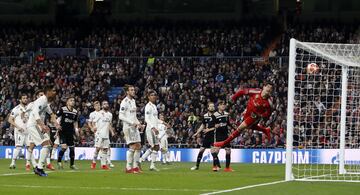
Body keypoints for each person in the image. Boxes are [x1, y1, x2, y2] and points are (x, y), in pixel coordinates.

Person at [214, 82, 273, 148]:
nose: (269, 89)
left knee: (240, 128)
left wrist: (261, 115)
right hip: (247, 111)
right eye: (268, 87)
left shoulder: (269, 102)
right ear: (264, 87)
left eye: (271, 88)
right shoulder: (256, 91)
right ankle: (265, 130)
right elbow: (241, 92)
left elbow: (268, 114)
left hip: (253, 116)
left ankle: (224, 143)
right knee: (249, 126)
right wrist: (232, 99)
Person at [27, 85, 60, 176]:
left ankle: (39, 167)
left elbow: (51, 113)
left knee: (48, 145)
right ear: (48, 92)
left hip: (37, 125)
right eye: (53, 91)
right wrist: (42, 125)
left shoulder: (45, 102)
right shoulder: (41, 100)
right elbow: (34, 113)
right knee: (46, 145)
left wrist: (56, 124)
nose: (55, 93)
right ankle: (38, 168)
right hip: (34, 125)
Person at [118, 85, 144, 173]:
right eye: (131, 90)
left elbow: (134, 116)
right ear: (127, 92)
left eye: (134, 90)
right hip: (128, 127)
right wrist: (131, 122)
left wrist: (139, 124)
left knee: (139, 146)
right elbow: (120, 116)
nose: (133, 91)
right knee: (133, 146)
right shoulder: (124, 102)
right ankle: (128, 168)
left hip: (134, 126)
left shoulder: (133, 101)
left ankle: (135, 167)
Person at [144, 90, 169, 171]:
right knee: (153, 146)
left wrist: (164, 122)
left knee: (156, 147)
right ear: (148, 97)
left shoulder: (154, 106)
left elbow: (156, 119)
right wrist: (153, 128)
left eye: (154, 95)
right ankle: (141, 159)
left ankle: (151, 165)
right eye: (151, 95)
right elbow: (147, 119)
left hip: (155, 129)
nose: (153, 96)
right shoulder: (148, 106)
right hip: (150, 129)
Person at [191, 102, 219, 171]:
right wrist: (196, 133)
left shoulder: (216, 116)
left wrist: (209, 130)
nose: (212, 107)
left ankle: (215, 167)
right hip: (206, 136)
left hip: (214, 136)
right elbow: (202, 126)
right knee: (201, 150)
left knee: (213, 151)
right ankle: (197, 166)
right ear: (208, 108)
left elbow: (217, 126)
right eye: (210, 106)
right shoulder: (205, 116)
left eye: (213, 106)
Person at [213, 100, 237, 172]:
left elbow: (228, 123)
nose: (223, 105)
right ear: (218, 106)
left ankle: (227, 168)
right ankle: (214, 166)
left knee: (228, 151)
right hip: (218, 135)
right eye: (221, 104)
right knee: (216, 151)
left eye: (224, 104)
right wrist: (215, 125)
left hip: (226, 135)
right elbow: (211, 124)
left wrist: (235, 128)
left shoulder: (226, 114)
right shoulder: (215, 115)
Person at [56, 97, 80, 170]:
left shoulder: (75, 112)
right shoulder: (63, 109)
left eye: (73, 100)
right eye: (71, 100)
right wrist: (57, 125)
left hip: (70, 132)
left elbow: (75, 122)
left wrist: (76, 130)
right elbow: (55, 117)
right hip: (62, 131)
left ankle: (72, 164)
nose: (73, 102)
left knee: (72, 149)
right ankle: (59, 162)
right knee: (64, 147)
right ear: (67, 102)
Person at [8, 94, 30, 170]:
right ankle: (13, 162)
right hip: (19, 131)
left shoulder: (29, 108)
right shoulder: (16, 109)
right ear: (20, 100)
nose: (25, 99)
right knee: (18, 147)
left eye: (26, 98)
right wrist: (18, 127)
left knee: (29, 148)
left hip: (28, 131)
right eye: (24, 98)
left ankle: (28, 163)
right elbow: (10, 120)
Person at [93, 101, 115, 170]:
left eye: (107, 104)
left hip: (106, 135)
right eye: (104, 104)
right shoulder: (99, 113)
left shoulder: (110, 115)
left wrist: (112, 132)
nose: (106, 105)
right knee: (97, 149)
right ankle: (93, 162)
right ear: (102, 106)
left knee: (105, 149)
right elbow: (93, 122)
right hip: (99, 134)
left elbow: (109, 124)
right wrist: (94, 127)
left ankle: (103, 165)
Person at [88, 101, 101, 169]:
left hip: (104, 132)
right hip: (97, 132)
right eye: (96, 105)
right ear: (94, 107)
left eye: (99, 105)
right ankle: (94, 162)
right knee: (98, 148)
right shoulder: (92, 114)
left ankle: (106, 163)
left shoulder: (103, 113)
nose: (98, 106)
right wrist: (92, 128)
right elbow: (89, 123)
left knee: (106, 148)